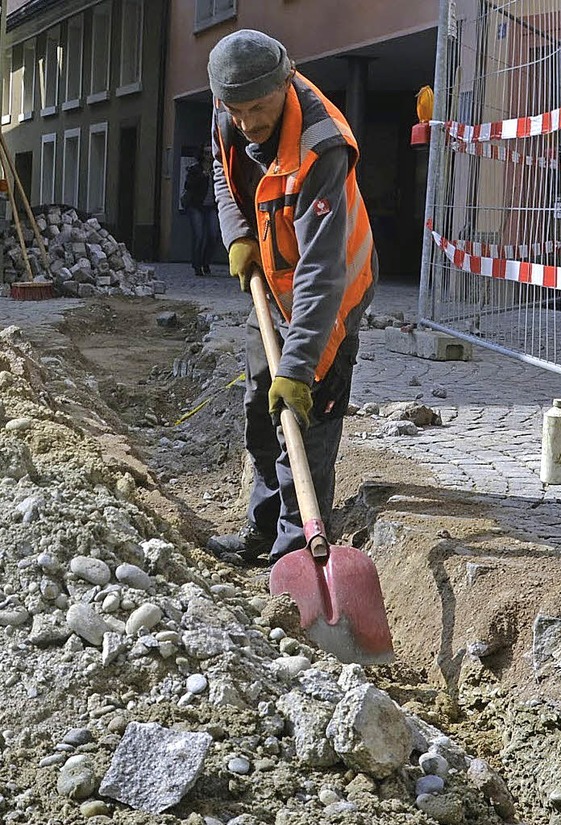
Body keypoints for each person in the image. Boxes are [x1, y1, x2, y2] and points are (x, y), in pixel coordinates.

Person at [205, 29, 378, 565]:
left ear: (286, 80)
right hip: (274, 287)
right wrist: (238, 233)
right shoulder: (228, 108)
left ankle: (295, 551)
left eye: (259, 108)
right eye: (237, 111)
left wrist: (299, 367)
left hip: (333, 292)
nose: (249, 122)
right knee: (261, 406)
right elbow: (220, 169)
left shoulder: (320, 145)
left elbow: (322, 273)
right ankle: (262, 529)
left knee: (306, 417)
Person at [181, 144, 220, 276]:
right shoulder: (195, 169)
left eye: (211, 153)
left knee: (213, 235)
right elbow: (188, 185)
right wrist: (202, 176)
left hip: (211, 206)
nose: (209, 156)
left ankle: (206, 261)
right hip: (196, 206)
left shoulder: (218, 169)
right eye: (206, 153)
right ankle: (197, 265)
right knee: (199, 236)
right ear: (202, 155)